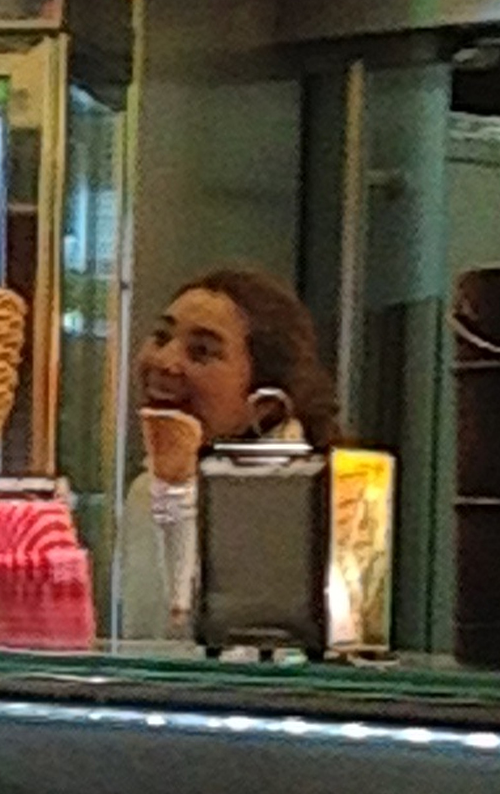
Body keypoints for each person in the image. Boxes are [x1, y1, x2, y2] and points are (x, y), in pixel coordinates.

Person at [120, 266, 340, 642]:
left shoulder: (303, 511)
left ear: (264, 405)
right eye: (161, 336)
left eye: (201, 352)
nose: (165, 362)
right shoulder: (144, 494)